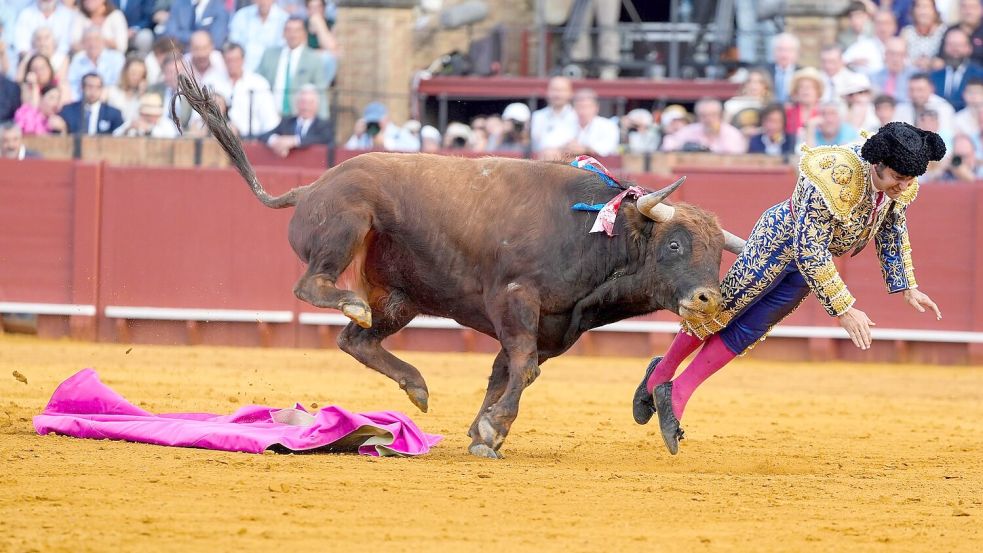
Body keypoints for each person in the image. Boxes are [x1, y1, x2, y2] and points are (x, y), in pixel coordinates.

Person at [634, 122, 946, 455]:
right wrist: (844, 308)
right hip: (778, 243)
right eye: (898, 178)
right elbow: (809, 248)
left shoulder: (900, 183)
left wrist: (907, 286)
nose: (904, 186)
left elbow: (891, 228)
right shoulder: (833, 173)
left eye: (910, 179)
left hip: (814, 260)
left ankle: (678, 391)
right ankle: (661, 373)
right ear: (877, 164)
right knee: (723, 311)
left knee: (752, 328)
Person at [256, 16, 328, 118]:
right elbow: (257, 81)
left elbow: (320, 91)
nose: (292, 34)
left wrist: (323, 120)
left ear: (304, 34)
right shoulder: (269, 55)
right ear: (283, 33)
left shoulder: (314, 59)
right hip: (271, 115)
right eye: (289, 30)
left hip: (298, 117)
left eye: (297, 30)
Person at [222, 42, 281, 138]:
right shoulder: (214, 82)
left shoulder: (258, 83)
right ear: (224, 61)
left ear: (243, 60)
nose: (232, 64)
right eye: (229, 60)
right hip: (220, 140)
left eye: (236, 59)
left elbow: (270, 120)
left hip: (252, 138)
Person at [261, 84, 332, 157]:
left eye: (310, 103)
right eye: (303, 102)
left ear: (317, 105)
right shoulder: (287, 122)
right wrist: (276, 141)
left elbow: (324, 138)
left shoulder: (324, 125)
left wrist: (294, 141)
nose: (306, 107)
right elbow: (263, 136)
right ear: (296, 103)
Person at [661, 97, 746, 154]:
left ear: (720, 115)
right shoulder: (689, 131)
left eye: (713, 115)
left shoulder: (732, 134)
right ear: (698, 117)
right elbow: (668, 145)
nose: (708, 119)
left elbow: (737, 158)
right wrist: (683, 147)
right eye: (703, 116)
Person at [929, 27, 983, 111]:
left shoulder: (979, 75)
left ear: (969, 48)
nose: (954, 49)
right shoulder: (934, 76)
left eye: (959, 45)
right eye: (950, 45)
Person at [66, 26, 126, 100]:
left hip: (110, 99)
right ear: (83, 43)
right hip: (83, 98)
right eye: (88, 40)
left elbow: (119, 83)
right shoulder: (78, 58)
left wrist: (103, 93)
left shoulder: (116, 57)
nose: (92, 43)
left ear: (103, 41)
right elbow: (73, 83)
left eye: (96, 39)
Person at [228, 0, 289, 73]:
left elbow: (282, 50)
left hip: (272, 69)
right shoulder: (241, 15)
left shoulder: (284, 19)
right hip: (244, 68)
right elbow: (234, 45)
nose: (263, 1)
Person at [60, 72, 124, 134]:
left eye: (98, 87)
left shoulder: (113, 114)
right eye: (90, 87)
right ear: (82, 87)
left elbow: (120, 136)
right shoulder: (68, 111)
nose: (93, 91)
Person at [564, 88, 619, 157]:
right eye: (579, 106)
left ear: (596, 108)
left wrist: (585, 149)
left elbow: (607, 148)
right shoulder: (566, 124)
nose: (582, 111)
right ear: (573, 108)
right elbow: (555, 143)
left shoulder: (608, 126)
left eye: (587, 107)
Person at [530, 76, 578, 155]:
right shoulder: (538, 116)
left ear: (570, 93)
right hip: (541, 160)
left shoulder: (578, 116)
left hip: (568, 161)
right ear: (547, 92)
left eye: (562, 90)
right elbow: (535, 144)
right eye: (554, 90)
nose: (557, 94)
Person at [162, 0, 229, 49]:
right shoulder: (179, 4)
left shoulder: (220, 7)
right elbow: (170, 33)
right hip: (181, 53)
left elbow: (217, 40)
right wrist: (194, 37)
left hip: (208, 54)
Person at [901, 0, 946, 71]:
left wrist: (931, 63)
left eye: (926, 7)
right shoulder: (907, 32)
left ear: (934, 10)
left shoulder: (944, 32)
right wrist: (915, 63)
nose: (923, 12)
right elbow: (901, 58)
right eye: (919, 7)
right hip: (912, 73)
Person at [111, 92, 179, 137]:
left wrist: (149, 129)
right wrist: (128, 129)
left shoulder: (166, 123)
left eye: (151, 115)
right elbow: (114, 135)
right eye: (146, 114)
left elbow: (171, 137)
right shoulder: (135, 121)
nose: (149, 117)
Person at [871, 36, 915, 102]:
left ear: (906, 55)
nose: (895, 59)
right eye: (892, 54)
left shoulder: (914, 76)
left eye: (900, 54)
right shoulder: (875, 76)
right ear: (885, 55)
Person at [106, 56, 148, 123]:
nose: (136, 77)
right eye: (133, 73)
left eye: (140, 74)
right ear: (125, 72)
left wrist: (141, 96)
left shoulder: (142, 97)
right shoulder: (111, 92)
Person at [785, 67, 824, 136]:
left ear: (817, 92)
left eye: (810, 87)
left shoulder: (823, 113)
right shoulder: (788, 112)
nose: (805, 90)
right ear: (796, 92)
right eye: (801, 87)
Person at [765, 33, 801, 103]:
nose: (784, 54)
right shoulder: (764, 71)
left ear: (796, 53)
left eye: (789, 50)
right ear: (773, 52)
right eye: (780, 49)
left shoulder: (802, 73)